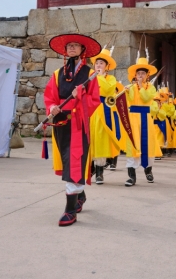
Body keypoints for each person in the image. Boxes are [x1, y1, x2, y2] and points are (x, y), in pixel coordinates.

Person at [44, 34, 102, 226]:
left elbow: (95, 101)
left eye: (76, 45)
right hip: (61, 122)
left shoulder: (90, 74)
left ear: (82, 50)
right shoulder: (57, 73)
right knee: (67, 160)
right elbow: (50, 96)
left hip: (78, 122)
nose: (72, 48)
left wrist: (81, 95)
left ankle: (70, 211)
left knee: (74, 160)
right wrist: (52, 107)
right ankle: (80, 195)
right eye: (69, 45)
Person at [124, 56, 161, 186]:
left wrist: (140, 86)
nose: (140, 75)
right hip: (133, 118)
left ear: (147, 75)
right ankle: (131, 176)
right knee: (132, 144)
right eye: (138, 73)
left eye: (143, 73)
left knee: (148, 144)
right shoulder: (131, 86)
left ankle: (148, 170)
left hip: (146, 118)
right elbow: (130, 100)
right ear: (135, 75)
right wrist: (127, 92)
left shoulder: (151, 88)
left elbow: (146, 98)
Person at [89, 48, 123, 185]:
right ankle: (90, 168)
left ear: (107, 67)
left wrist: (100, 77)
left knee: (101, 140)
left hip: (103, 110)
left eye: (101, 63)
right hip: (91, 110)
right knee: (90, 139)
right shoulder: (89, 77)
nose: (98, 65)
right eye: (97, 63)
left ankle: (99, 173)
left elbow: (108, 90)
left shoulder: (111, 79)